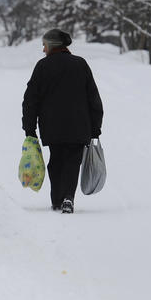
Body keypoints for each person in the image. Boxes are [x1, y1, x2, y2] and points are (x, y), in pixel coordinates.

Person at [22, 28, 104, 214]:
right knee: (72, 161)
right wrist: (95, 127)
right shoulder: (80, 64)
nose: (43, 50)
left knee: (56, 160)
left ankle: (57, 200)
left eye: (44, 45)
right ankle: (68, 197)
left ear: (52, 45)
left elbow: (30, 99)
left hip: (52, 126)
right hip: (79, 126)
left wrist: (29, 127)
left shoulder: (43, 66)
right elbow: (94, 98)